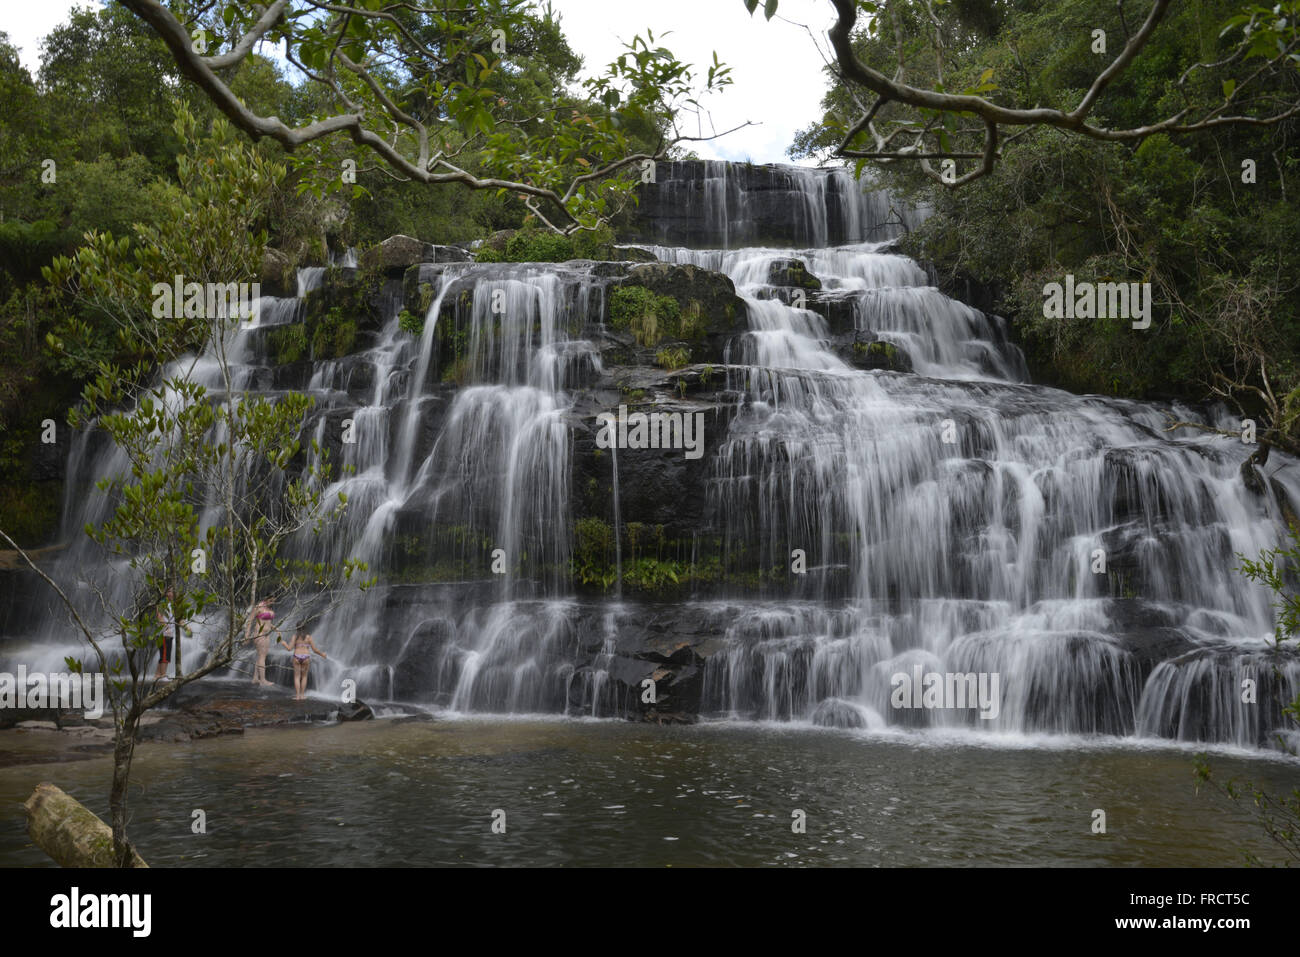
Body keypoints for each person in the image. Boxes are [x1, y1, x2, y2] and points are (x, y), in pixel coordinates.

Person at [279, 625, 327, 701]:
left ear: (297, 628)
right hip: (306, 657)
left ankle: (297, 696)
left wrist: (284, 643)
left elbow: (289, 649)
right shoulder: (308, 637)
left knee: (297, 677)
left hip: (296, 657)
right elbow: (315, 650)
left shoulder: (295, 637)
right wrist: (322, 654)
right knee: (304, 677)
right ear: (305, 628)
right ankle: (302, 695)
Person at [153, 587, 185, 682]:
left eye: (173, 592)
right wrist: (166, 627)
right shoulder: (162, 603)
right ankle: (163, 676)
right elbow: (159, 617)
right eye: (170, 592)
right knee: (165, 656)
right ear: (166, 593)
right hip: (164, 633)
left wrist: (185, 626)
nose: (172, 594)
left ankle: (157, 675)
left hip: (169, 634)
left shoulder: (173, 604)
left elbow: (178, 618)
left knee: (164, 655)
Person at [244, 598, 278, 687]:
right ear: (266, 599)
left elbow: (267, 622)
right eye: (271, 600)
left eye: (274, 600)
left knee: (261, 656)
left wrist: (274, 628)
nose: (272, 602)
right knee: (262, 656)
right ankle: (263, 680)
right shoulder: (259, 607)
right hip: (259, 633)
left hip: (267, 634)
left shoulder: (269, 609)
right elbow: (250, 621)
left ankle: (255, 678)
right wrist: (246, 635)